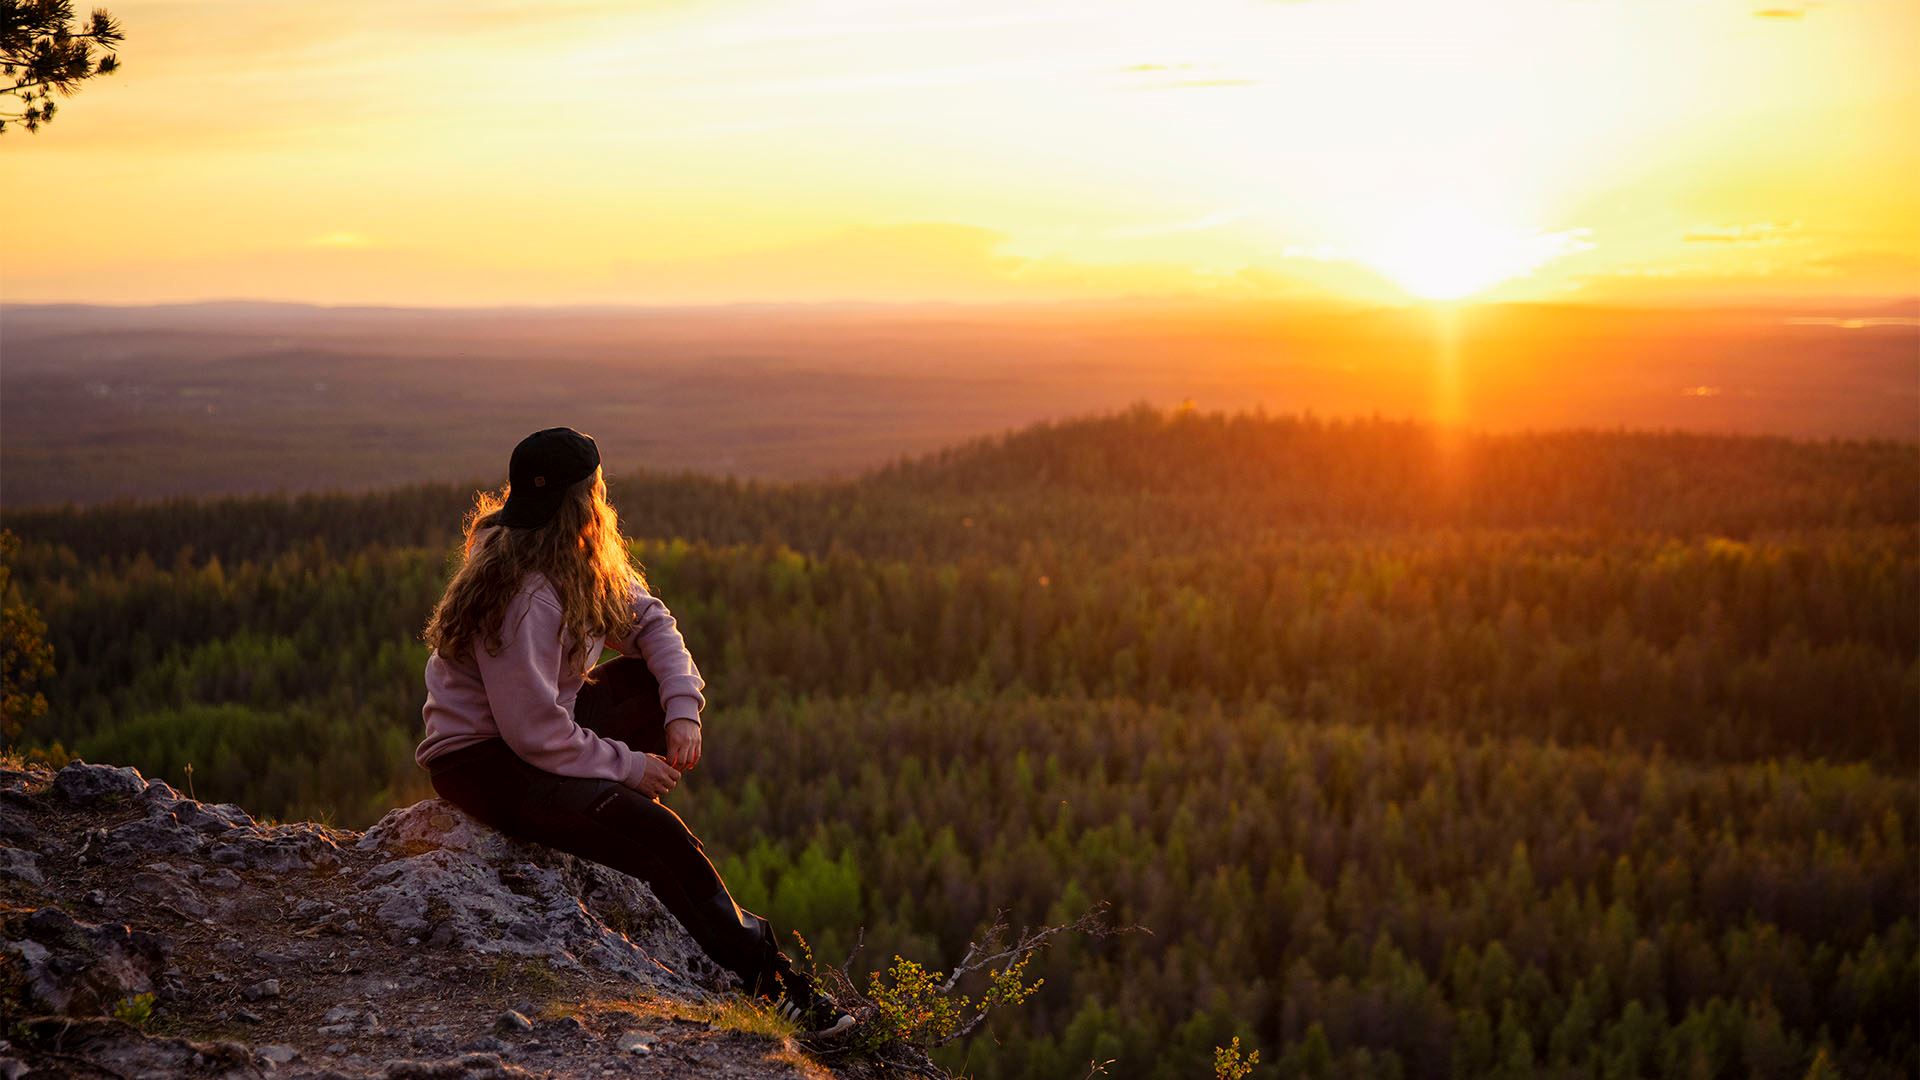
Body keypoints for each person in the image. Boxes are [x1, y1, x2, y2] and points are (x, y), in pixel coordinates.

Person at [413, 426, 853, 1037]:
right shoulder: (525, 596)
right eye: (596, 489)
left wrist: (681, 710)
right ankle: (773, 985)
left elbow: (648, 618)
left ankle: (618, 812)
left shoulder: (562, 559)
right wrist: (629, 768)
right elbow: (532, 734)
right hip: (487, 764)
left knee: (651, 683)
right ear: (584, 502)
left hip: (538, 730)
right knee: (657, 839)